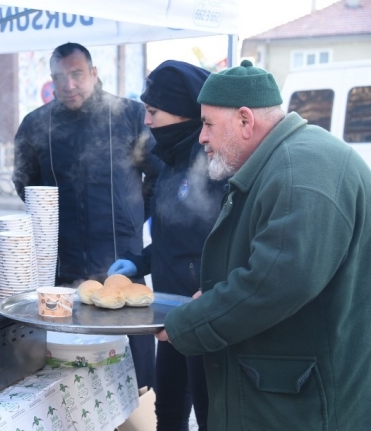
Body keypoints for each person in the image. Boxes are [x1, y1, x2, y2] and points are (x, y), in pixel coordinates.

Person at [156, 60, 371, 431]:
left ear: (245, 120)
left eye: (208, 124)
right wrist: (211, 297)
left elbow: (274, 284)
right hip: (292, 391)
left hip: (308, 405)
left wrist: (189, 325)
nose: (201, 137)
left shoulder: (299, 172)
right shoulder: (283, 160)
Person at [12, 42, 162, 388]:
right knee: (68, 368)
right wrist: (50, 224)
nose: (68, 84)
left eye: (77, 74)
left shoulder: (128, 115)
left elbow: (158, 173)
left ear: (94, 74)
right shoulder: (36, 124)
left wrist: (132, 213)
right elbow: (25, 182)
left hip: (121, 260)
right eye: (60, 77)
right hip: (61, 268)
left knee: (135, 368)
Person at [107, 60, 227, 430]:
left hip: (203, 308)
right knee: (169, 407)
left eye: (153, 111)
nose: (147, 120)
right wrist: (137, 261)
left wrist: (208, 297)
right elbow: (171, 235)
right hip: (169, 309)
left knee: (208, 414)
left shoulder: (211, 161)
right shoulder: (172, 158)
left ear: (180, 111)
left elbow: (216, 241)